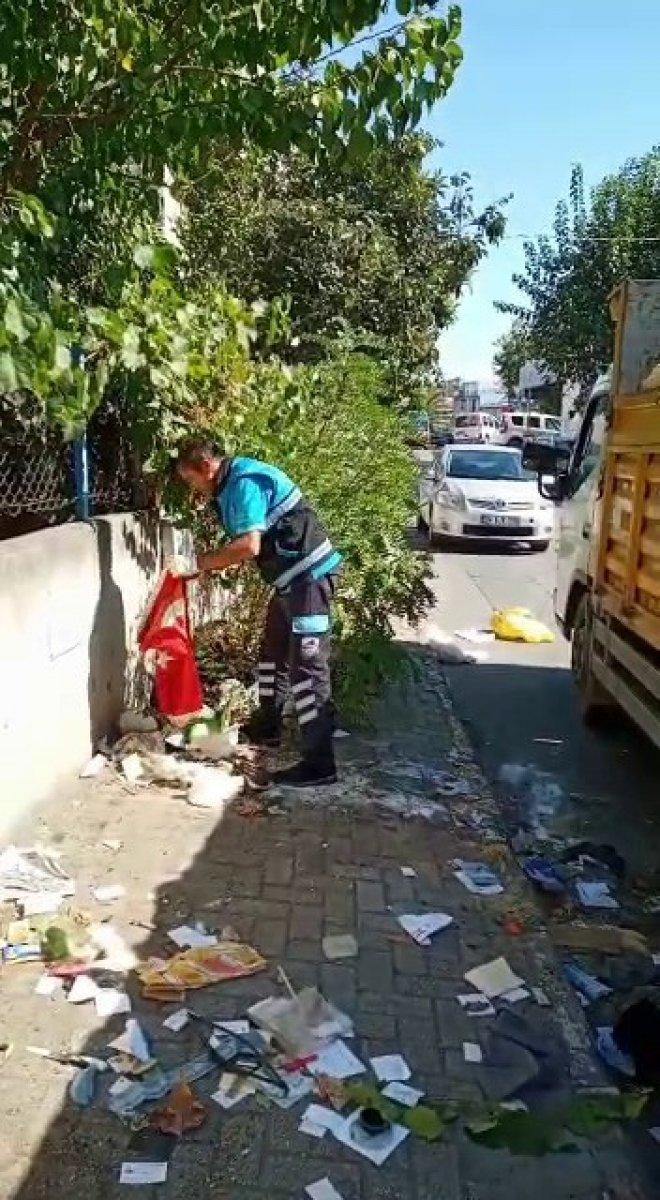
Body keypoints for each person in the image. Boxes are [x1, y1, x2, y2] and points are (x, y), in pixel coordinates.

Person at [174, 439, 342, 788]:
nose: (194, 489)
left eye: (191, 480)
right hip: (290, 582)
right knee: (271, 654)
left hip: (310, 580)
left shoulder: (243, 483)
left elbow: (249, 546)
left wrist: (199, 564)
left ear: (206, 467)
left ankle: (320, 764)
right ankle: (268, 726)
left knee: (307, 670)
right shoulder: (231, 484)